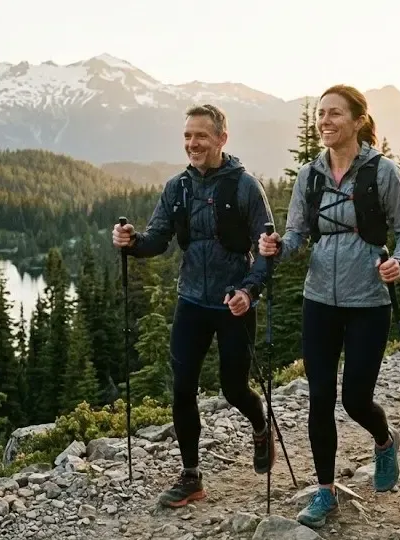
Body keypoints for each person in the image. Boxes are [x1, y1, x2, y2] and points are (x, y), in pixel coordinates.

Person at [258, 84, 400, 528]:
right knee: (319, 398)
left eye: (334, 113)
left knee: (355, 399)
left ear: (358, 120)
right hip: (318, 300)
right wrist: (277, 247)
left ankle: (384, 440)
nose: (324, 121)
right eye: (321, 114)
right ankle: (325, 492)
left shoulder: (383, 172)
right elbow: (296, 236)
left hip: (369, 299)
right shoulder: (309, 176)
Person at [113, 103, 277, 508]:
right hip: (191, 301)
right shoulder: (178, 188)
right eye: (187, 136)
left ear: (222, 138)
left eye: (201, 135)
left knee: (234, 388)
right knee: (183, 388)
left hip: (233, 303)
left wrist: (249, 292)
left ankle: (260, 425)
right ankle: (191, 477)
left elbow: (267, 250)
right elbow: (157, 239)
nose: (192, 143)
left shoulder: (245, 187)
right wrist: (131, 242)